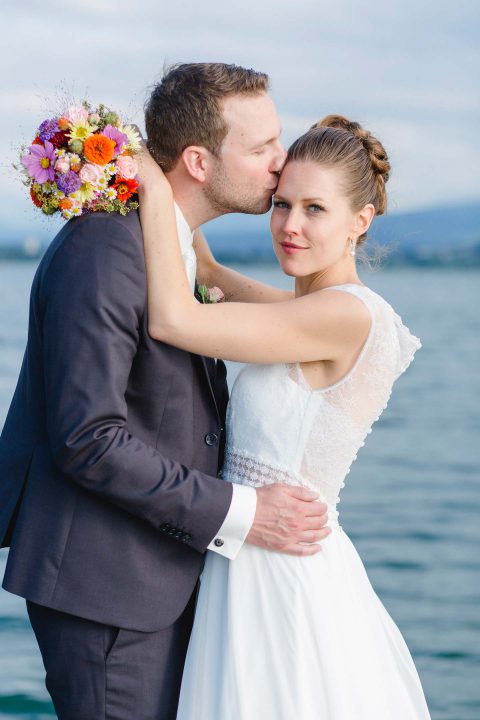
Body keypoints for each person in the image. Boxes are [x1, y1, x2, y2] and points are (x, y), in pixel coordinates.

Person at [0, 64, 331, 720]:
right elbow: (86, 438)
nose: (280, 162)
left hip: (164, 576)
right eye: (262, 147)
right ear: (198, 162)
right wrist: (245, 512)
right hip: (106, 592)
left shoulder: (173, 247)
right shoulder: (105, 248)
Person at [137, 114, 432, 719]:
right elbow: (212, 278)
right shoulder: (310, 311)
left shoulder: (344, 317)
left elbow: (174, 319)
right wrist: (180, 176)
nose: (290, 226)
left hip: (281, 572)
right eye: (281, 204)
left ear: (360, 221)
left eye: (315, 209)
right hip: (248, 555)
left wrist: (148, 184)